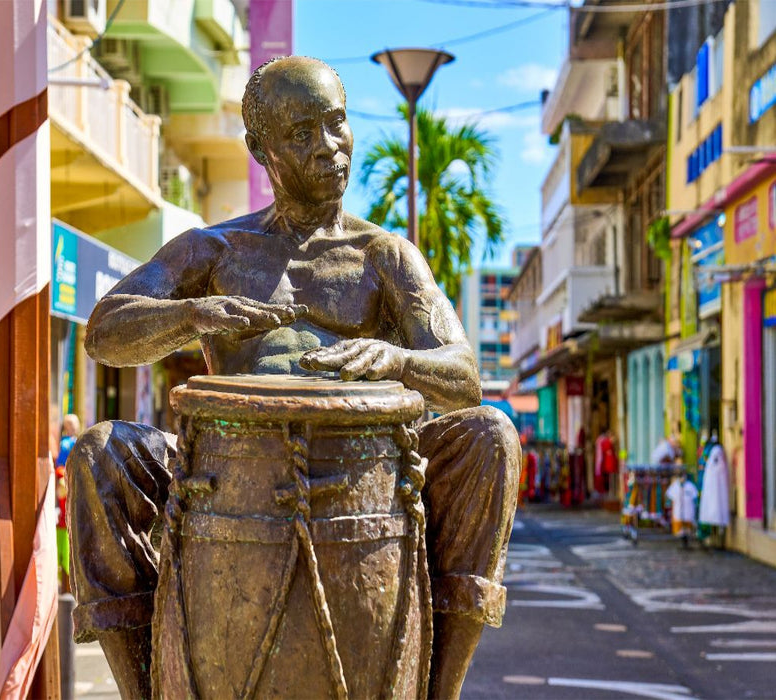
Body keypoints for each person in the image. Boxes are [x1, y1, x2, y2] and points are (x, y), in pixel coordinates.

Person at [67, 55, 520, 700]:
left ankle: (438, 687)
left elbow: (463, 374)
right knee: (99, 454)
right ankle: (143, 688)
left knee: (491, 437)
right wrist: (194, 313)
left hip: (365, 475)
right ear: (261, 149)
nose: (329, 149)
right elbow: (104, 330)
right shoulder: (215, 250)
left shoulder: (384, 256)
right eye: (302, 134)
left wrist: (396, 360)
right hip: (227, 474)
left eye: (336, 125)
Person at [56, 413, 80, 594]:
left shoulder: (75, 443)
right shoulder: (66, 444)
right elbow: (60, 472)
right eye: (69, 425)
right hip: (64, 513)